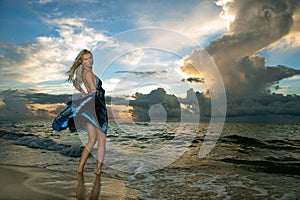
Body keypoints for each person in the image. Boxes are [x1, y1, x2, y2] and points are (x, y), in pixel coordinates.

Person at [55, 49, 108, 175]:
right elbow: (93, 89)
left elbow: (75, 83)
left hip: (90, 109)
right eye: (86, 59)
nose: (90, 60)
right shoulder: (88, 73)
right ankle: (98, 171)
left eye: (90, 58)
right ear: (81, 61)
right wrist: (92, 90)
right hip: (97, 108)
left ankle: (80, 169)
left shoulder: (83, 71)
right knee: (101, 140)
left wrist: (84, 92)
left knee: (91, 141)